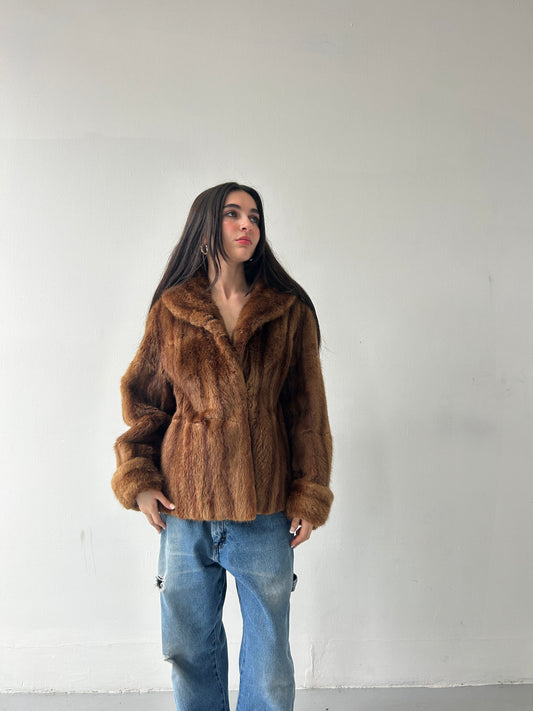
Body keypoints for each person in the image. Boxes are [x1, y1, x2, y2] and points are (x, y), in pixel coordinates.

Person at [111, 182, 333, 711]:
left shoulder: (287, 311)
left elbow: (307, 413)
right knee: (188, 649)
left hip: (264, 509)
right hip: (183, 508)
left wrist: (308, 495)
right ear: (206, 225)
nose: (246, 225)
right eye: (233, 214)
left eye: (254, 216)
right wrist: (139, 479)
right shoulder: (172, 310)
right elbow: (145, 401)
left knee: (270, 659)